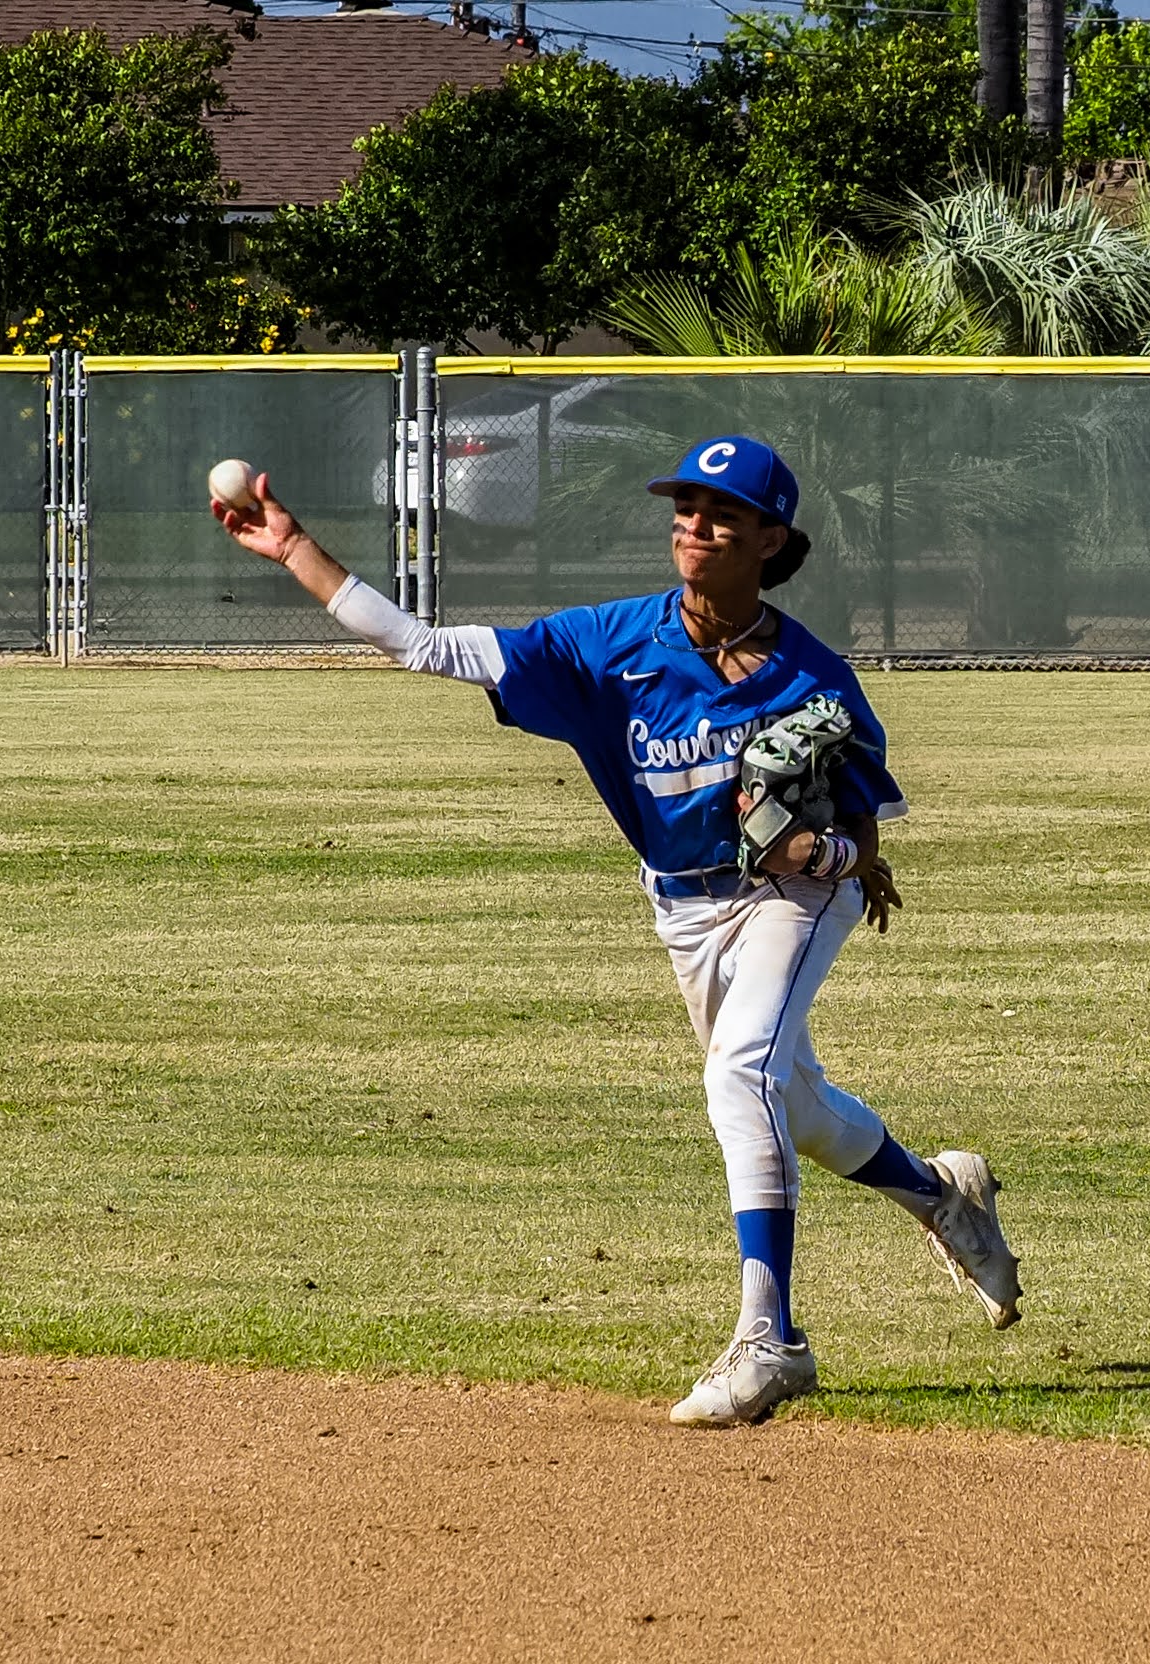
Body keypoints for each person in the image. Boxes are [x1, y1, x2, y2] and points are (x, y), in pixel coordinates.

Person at [212, 433, 1021, 1428]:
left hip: (790, 900)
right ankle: (942, 1193)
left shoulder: (815, 676)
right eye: (685, 507)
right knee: (795, 1106)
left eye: (722, 513)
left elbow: (862, 839)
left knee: (740, 1077)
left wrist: (824, 857)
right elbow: (424, 644)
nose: (695, 525)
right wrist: (295, 548)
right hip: (682, 904)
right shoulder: (610, 643)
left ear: (770, 538)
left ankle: (770, 1339)